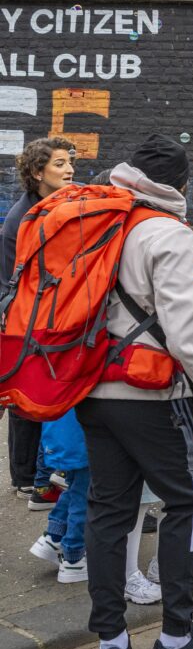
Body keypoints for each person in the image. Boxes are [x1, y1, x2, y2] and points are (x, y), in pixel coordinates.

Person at [77, 134, 193, 649]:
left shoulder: (96, 224)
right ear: (176, 182)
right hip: (152, 395)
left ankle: (111, 642)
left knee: (108, 511)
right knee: (190, 499)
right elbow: (187, 330)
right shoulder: (167, 234)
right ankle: (176, 636)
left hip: (93, 390)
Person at [2, 136, 75, 499]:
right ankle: (25, 476)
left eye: (69, 162)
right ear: (37, 172)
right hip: (27, 317)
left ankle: (40, 473)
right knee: (23, 396)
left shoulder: (57, 204)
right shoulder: (23, 218)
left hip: (49, 313)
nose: (70, 169)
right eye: (59, 163)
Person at [28, 410, 91, 583]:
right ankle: (73, 558)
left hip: (62, 433)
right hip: (81, 436)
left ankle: (53, 537)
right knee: (85, 495)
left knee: (77, 488)